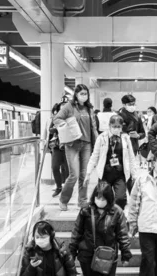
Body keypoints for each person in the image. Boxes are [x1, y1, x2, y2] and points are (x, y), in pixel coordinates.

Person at [54, 83, 98, 211]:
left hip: (87, 144)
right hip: (72, 144)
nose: (84, 96)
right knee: (74, 174)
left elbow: (93, 127)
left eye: (86, 94)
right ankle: (63, 199)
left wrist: (98, 141)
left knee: (84, 175)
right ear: (76, 95)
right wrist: (66, 126)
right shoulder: (69, 106)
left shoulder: (90, 109)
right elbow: (57, 119)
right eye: (81, 94)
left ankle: (83, 201)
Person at [84, 114, 137, 210]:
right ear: (109, 126)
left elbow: (131, 157)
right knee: (103, 199)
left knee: (121, 198)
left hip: (120, 174)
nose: (116, 129)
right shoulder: (101, 137)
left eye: (119, 127)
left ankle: (118, 217)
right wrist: (88, 173)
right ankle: (106, 218)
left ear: (122, 127)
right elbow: (94, 156)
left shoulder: (125, 138)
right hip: (105, 174)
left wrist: (134, 174)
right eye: (114, 126)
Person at [42, 102, 69, 198]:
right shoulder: (54, 119)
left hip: (68, 147)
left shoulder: (71, 119)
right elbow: (49, 130)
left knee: (68, 169)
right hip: (57, 147)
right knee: (54, 167)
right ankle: (58, 187)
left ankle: (67, 186)